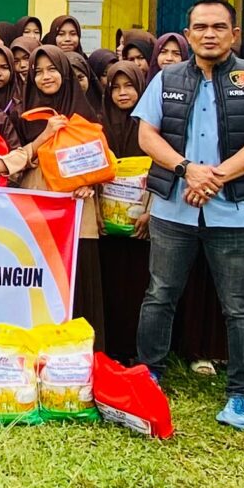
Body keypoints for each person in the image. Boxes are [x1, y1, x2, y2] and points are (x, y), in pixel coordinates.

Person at [133, 0, 244, 430]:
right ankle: (149, 373)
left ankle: (241, 394)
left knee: (239, 304)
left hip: (232, 210)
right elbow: (147, 134)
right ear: (188, 33)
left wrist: (215, 177)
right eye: (200, 27)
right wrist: (187, 170)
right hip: (173, 207)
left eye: (219, 26)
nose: (209, 34)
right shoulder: (167, 77)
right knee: (159, 294)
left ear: (234, 33)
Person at [4, 46, 105, 333]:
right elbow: (14, 159)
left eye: (52, 70)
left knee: (76, 274)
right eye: (38, 72)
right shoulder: (22, 114)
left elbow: (99, 160)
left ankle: (78, 350)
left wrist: (89, 181)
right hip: (36, 204)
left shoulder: (85, 113)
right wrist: (44, 136)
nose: (45, 77)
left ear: (65, 74)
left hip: (76, 207)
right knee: (36, 276)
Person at [95, 58, 153, 360]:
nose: (122, 93)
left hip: (141, 223)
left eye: (129, 86)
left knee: (140, 286)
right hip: (106, 223)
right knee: (110, 286)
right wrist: (95, 213)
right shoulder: (98, 125)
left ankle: (138, 349)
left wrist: (150, 212)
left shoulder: (152, 125)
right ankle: (112, 347)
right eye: (115, 87)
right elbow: (89, 173)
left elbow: (163, 168)